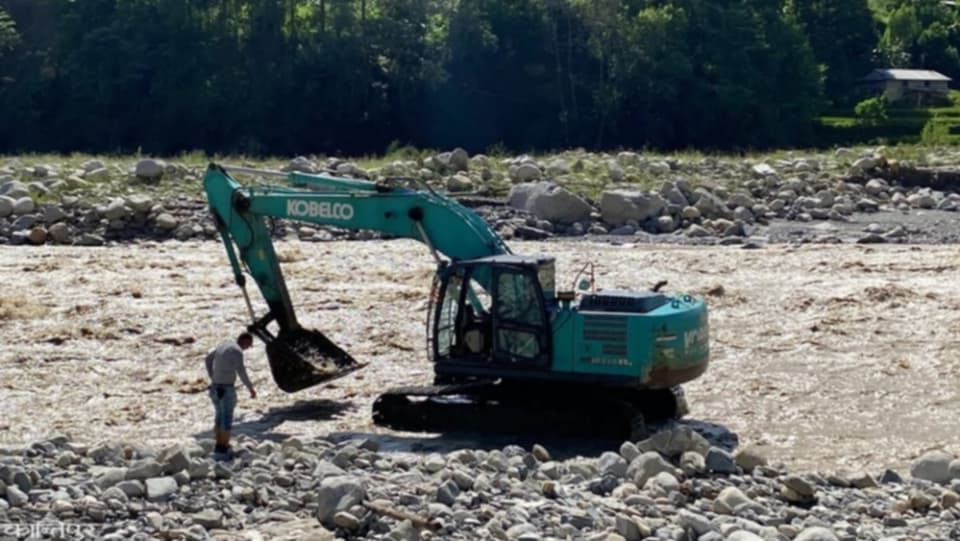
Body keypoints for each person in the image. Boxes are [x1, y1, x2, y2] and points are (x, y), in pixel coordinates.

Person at [204, 332, 256, 459]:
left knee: (219, 415)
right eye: (248, 345)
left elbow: (208, 359)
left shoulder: (223, 345)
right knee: (227, 417)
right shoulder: (237, 351)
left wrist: (212, 375)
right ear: (244, 341)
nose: (248, 348)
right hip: (226, 388)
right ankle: (222, 447)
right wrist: (250, 388)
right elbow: (241, 371)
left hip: (215, 387)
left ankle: (218, 443)